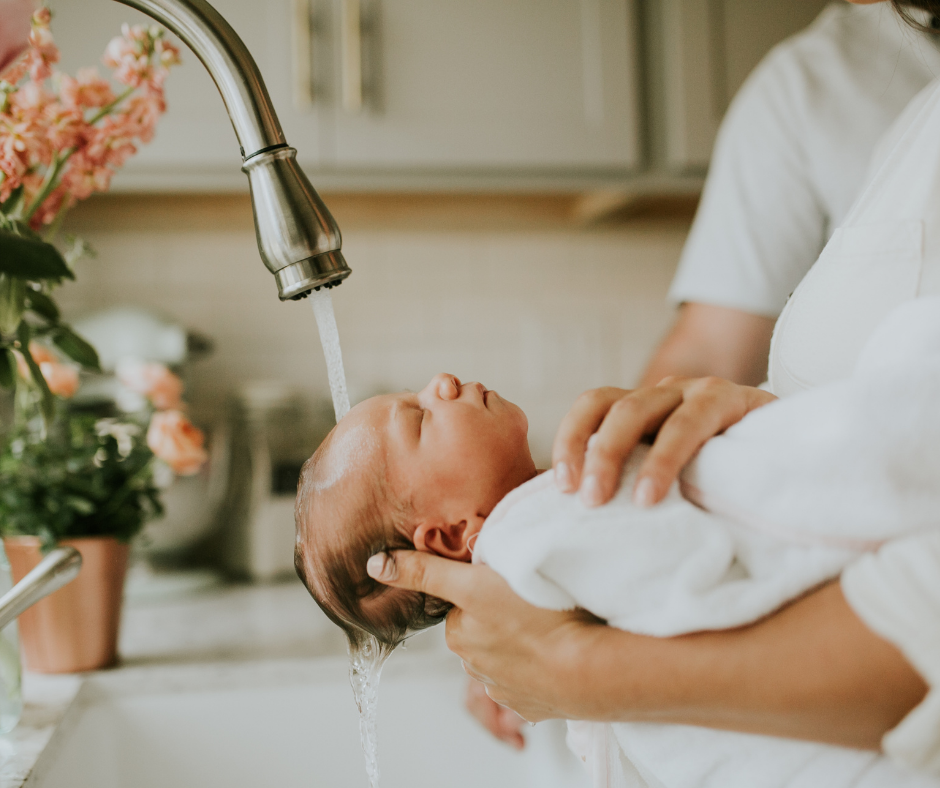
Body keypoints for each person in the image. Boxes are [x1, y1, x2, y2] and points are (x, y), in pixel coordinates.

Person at [365, 0, 940, 779]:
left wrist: (579, 669)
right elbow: (726, 358)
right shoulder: (875, 107)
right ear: (442, 536)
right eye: (414, 418)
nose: (438, 386)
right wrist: (757, 421)